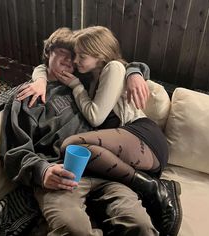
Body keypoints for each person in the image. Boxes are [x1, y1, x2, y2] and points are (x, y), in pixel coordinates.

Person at [17, 26, 182, 236]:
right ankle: (149, 187)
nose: (73, 61)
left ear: (99, 55)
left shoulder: (110, 69)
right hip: (115, 156)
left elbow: (96, 116)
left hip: (141, 136)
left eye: (79, 56)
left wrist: (134, 71)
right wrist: (39, 79)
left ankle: (154, 189)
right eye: (70, 55)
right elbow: (44, 67)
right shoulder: (88, 76)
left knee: (72, 145)